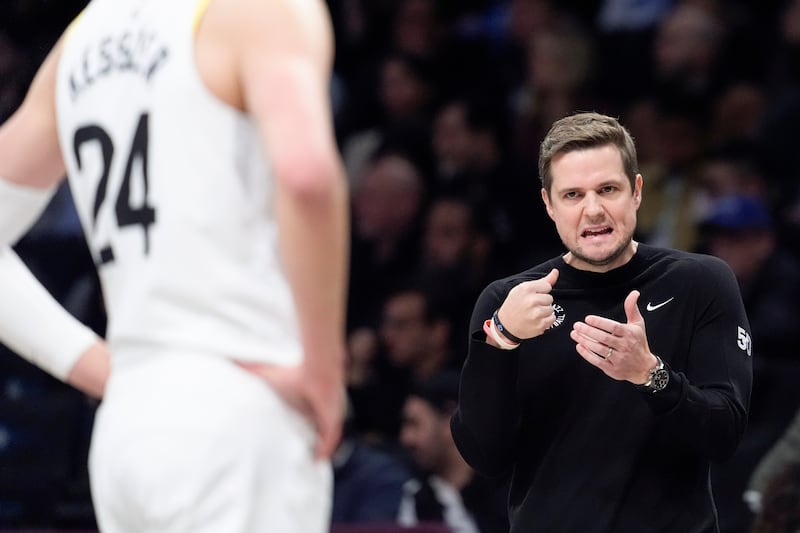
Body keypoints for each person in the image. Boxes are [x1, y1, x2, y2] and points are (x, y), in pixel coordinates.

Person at [0, 0, 349, 531]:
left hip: (128, 421)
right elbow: (306, 176)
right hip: (241, 399)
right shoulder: (265, 11)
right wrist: (324, 371)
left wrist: (102, 368)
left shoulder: (85, 35)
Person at [450, 111, 753, 533]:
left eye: (607, 189)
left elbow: (725, 435)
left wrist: (650, 374)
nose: (593, 210)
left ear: (637, 192)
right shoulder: (508, 303)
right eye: (573, 195)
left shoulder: (701, 282)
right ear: (549, 204)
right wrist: (500, 339)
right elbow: (485, 456)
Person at [399, 371, 509, 533]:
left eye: (414, 424)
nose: (406, 438)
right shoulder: (417, 498)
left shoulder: (507, 492)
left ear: (451, 420)